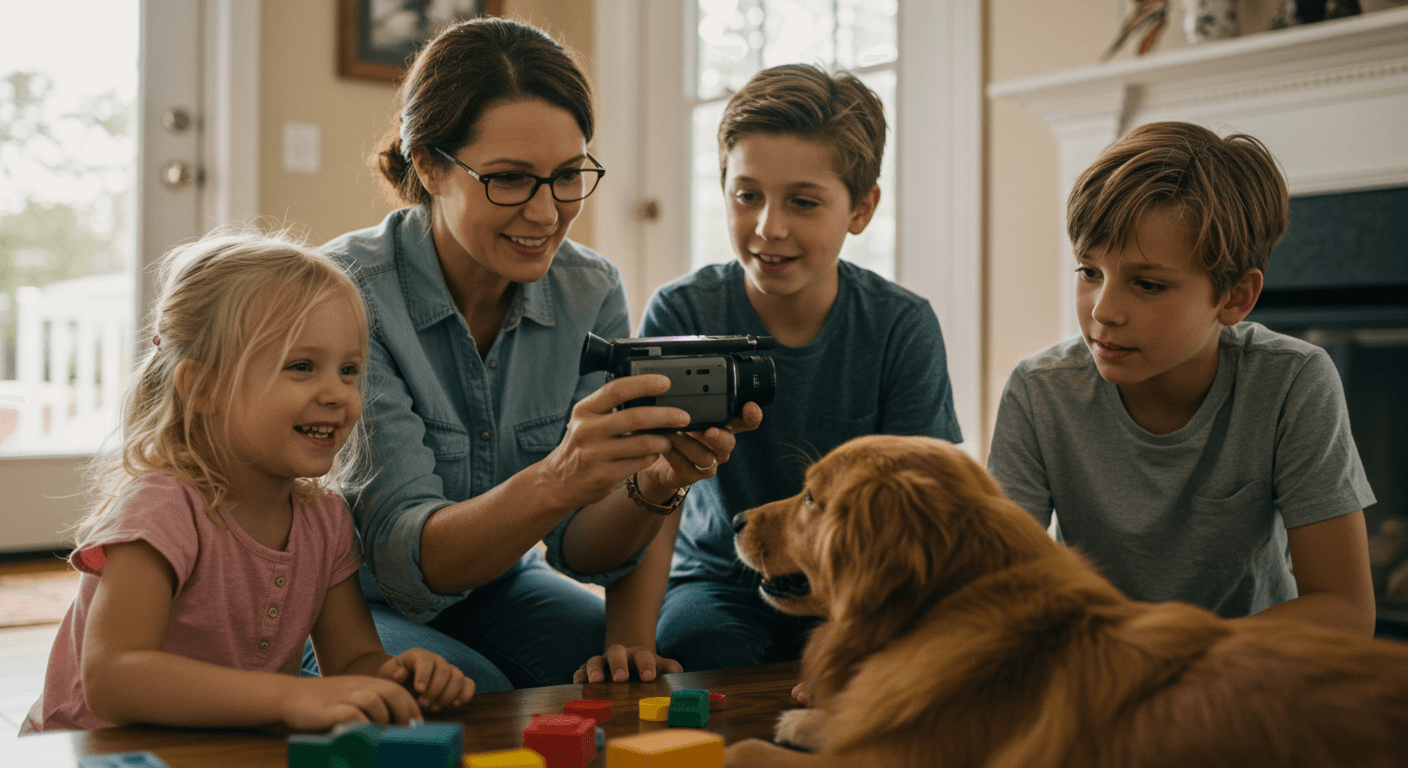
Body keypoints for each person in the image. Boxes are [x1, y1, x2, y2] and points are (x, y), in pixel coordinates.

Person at [321, 17, 756, 691]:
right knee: (468, 701)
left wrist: (656, 483)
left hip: (501, 587)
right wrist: (560, 475)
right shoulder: (348, 293)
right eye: (510, 180)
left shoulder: (590, 287)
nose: (547, 212)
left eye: (567, 176)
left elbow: (583, 551)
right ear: (431, 166)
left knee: (627, 690)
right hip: (351, 602)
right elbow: (406, 562)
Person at [21, 230, 470, 734]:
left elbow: (350, 662)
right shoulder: (162, 509)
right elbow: (112, 676)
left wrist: (395, 677)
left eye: (349, 370)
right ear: (203, 387)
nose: (337, 393)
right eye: (302, 367)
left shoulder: (324, 520)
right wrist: (290, 697)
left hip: (222, 749)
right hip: (99, 750)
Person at [595, 63, 962, 679]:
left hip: (849, 586)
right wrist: (629, 641)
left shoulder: (902, 327)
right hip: (718, 578)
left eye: (803, 201)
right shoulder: (685, 312)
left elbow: (916, 517)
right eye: (748, 196)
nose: (769, 226)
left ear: (861, 208)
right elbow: (650, 488)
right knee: (703, 655)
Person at [988, 121, 1377, 637]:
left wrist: (1164, 658)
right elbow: (993, 589)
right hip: (1100, 678)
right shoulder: (1040, 391)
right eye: (1089, 271)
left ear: (1236, 297)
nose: (1103, 311)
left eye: (1147, 284)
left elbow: (1345, 611)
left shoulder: (1292, 381)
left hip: (1246, 683)